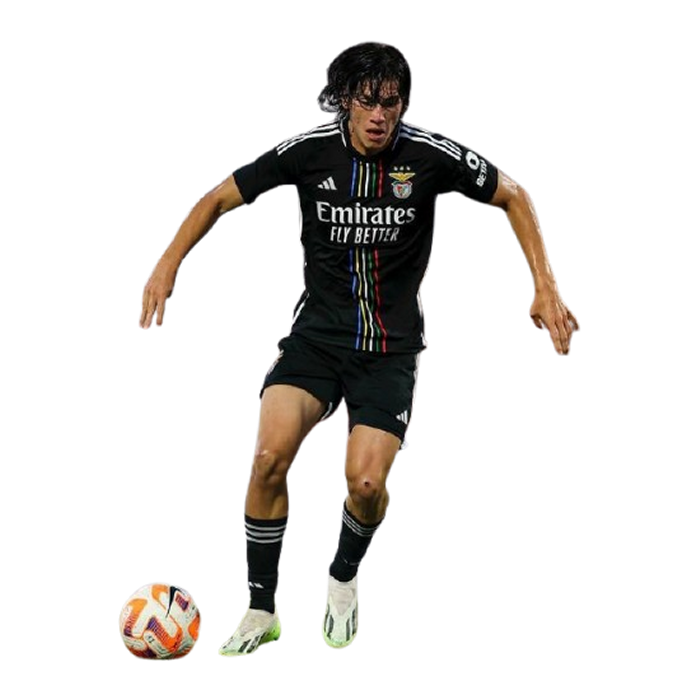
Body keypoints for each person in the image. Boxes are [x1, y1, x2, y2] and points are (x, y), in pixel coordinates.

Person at [138, 40, 580, 655]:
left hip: (391, 350)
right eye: (368, 102)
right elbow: (216, 198)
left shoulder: (428, 155)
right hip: (315, 340)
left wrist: (545, 286)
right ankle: (261, 609)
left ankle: (342, 579)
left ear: (403, 105)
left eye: (390, 103)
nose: (379, 116)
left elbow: (515, 195)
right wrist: (166, 267)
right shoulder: (308, 152)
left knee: (367, 485)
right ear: (345, 99)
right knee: (267, 458)